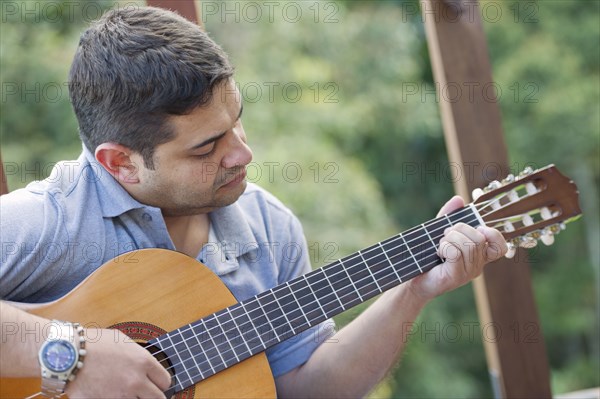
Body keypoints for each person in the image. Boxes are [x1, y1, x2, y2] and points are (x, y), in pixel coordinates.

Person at [0, 6, 507, 398]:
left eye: (235, 121)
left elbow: (306, 389)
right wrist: (72, 353)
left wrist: (413, 291)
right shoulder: (48, 221)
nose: (243, 152)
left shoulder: (268, 226)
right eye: (206, 147)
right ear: (120, 163)